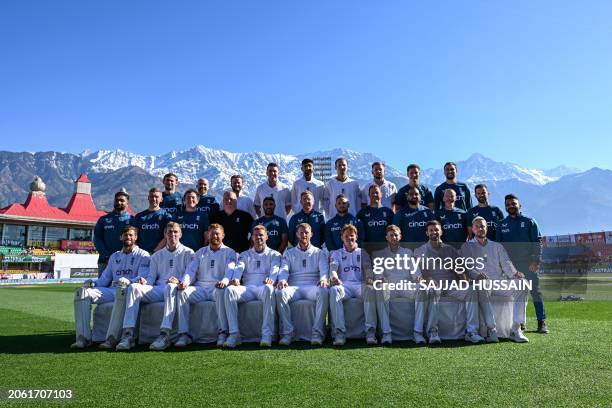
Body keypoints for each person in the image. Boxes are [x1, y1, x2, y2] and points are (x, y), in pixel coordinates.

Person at [115, 222, 194, 351]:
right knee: (134, 287)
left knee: (170, 286)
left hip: (176, 288)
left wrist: (179, 281)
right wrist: (144, 282)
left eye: (175, 232)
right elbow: (151, 278)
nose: (172, 234)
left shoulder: (188, 253)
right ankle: (128, 335)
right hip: (159, 289)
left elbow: (190, 276)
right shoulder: (157, 255)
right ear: (165, 234)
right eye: (169, 232)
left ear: (180, 234)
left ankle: (164, 334)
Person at [72, 226, 150, 349]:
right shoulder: (115, 256)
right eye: (125, 235)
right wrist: (92, 283)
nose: (128, 237)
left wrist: (129, 281)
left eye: (131, 235)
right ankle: (83, 338)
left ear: (136, 237)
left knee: (121, 291)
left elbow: (143, 277)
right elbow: (104, 279)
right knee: (82, 293)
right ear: (121, 237)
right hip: (112, 290)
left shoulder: (143, 255)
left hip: (128, 291)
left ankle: (112, 338)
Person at [412, 221, 484, 344]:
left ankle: (472, 332)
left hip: (451, 285)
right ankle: (433, 332)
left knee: (471, 290)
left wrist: (475, 276)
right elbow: (419, 272)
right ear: (427, 233)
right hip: (434, 285)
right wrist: (427, 280)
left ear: (441, 232)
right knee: (434, 290)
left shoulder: (450, 249)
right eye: (431, 230)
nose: (434, 232)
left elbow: (463, 267)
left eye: (436, 230)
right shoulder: (420, 250)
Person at [460, 217, 529, 343]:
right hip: (482, 284)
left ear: (487, 228)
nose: (481, 229)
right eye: (478, 226)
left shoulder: (497, 246)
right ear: (473, 229)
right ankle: (491, 329)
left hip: (498, 282)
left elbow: (506, 263)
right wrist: (476, 275)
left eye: (483, 226)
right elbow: (467, 267)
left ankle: (516, 329)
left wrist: (514, 274)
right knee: (482, 284)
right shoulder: (467, 246)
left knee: (522, 284)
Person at [174, 224, 238, 347]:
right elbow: (191, 270)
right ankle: (184, 334)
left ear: (223, 235)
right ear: (208, 235)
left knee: (221, 291)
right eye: (212, 233)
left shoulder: (230, 252)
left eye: (217, 233)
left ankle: (222, 332)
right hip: (201, 288)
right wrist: (185, 282)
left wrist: (224, 281)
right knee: (182, 293)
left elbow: (230, 270)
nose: (214, 236)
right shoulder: (200, 252)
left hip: (217, 287)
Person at [223, 225, 282, 348]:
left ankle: (267, 334)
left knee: (269, 288)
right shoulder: (244, 254)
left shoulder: (275, 254)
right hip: (248, 288)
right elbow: (239, 268)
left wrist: (271, 279)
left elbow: (275, 270)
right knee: (230, 290)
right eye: (255, 235)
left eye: (261, 235)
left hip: (263, 287)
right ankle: (234, 334)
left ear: (267, 237)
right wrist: (235, 279)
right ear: (252, 237)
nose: (258, 237)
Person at [497, 194, 547, 333]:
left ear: (519, 205)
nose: (511, 206)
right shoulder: (502, 224)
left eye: (513, 203)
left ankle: (541, 322)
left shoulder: (529, 221)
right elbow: (499, 247)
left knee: (535, 292)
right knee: (514, 294)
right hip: (510, 267)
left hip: (528, 264)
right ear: (505, 207)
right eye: (508, 204)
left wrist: (536, 261)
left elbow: (537, 242)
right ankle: (518, 322)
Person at [275, 223, 329, 346]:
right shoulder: (289, 253)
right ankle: (287, 333)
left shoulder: (319, 252)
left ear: (311, 234)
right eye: (301, 232)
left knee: (324, 291)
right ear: (297, 234)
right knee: (279, 292)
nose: (304, 235)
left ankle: (317, 333)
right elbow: (283, 270)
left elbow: (324, 271)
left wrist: (324, 279)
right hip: (294, 287)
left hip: (312, 286)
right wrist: (282, 280)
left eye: (306, 232)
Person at [328, 225, 377, 346]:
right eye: (346, 236)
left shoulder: (363, 252)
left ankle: (370, 333)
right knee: (334, 290)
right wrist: (334, 277)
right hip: (344, 286)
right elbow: (333, 268)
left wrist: (369, 278)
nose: (349, 239)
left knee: (370, 290)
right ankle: (339, 333)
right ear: (341, 238)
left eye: (352, 236)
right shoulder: (336, 253)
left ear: (356, 237)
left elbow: (368, 268)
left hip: (360, 285)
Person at [372, 225, 416, 345]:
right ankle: (386, 333)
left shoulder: (408, 252)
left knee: (422, 290)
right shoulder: (379, 254)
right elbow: (378, 273)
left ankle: (418, 332)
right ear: (386, 237)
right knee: (380, 289)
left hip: (406, 285)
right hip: (390, 286)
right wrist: (381, 279)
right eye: (391, 235)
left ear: (400, 236)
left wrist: (419, 280)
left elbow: (415, 273)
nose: (394, 237)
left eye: (396, 235)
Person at [93, 190, 135, 275]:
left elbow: (136, 240)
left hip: (126, 261)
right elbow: (97, 239)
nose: (119, 202)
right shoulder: (103, 220)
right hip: (105, 261)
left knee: (123, 286)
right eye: (117, 200)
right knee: (102, 287)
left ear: (127, 203)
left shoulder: (133, 220)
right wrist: (106, 255)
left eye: (122, 200)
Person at [356, 185, 394, 253]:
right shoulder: (362, 213)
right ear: (369, 195)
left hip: (385, 250)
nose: (375, 195)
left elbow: (394, 231)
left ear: (381, 194)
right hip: (368, 251)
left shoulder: (389, 212)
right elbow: (357, 233)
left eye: (377, 192)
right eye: (372, 193)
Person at [134, 188, 172, 254]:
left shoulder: (166, 216)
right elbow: (134, 236)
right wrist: (139, 251)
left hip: (159, 253)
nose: (154, 199)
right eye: (151, 196)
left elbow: (167, 237)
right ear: (148, 198)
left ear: (161, 199)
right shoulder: (139, 216)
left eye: (156, 197)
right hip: (141, 254)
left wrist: (154, 251)